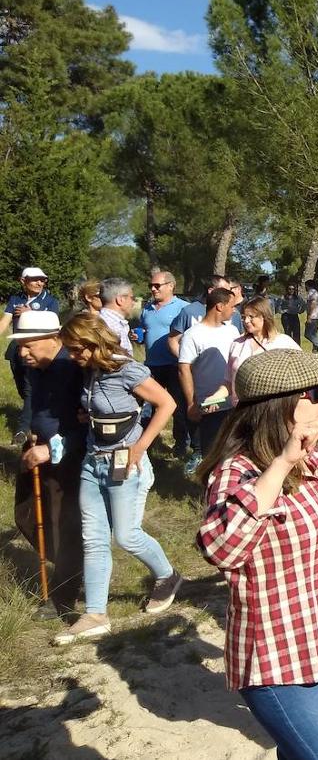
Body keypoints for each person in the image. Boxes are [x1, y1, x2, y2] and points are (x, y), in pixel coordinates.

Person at [197, 349, 318, 759]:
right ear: (283, 406)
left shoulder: (312, 460)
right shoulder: (237, 472)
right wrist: (283, 463)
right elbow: (221, 548)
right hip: (276, 655)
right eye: (315, 393)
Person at [53, 313, 179, 645]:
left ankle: (168, 576)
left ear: (94, 343)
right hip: (93, 463)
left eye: (77, 349)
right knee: (93, 539)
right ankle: (96, 614)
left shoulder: (127, 370)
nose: (73, 356)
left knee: (126, 536)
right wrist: (89, 415)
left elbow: (167, 404)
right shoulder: (89, 372)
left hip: (127, 464)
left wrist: (139, 448)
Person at [10, 311, 85, 619]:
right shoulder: (36, 367)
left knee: (64, 525)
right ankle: (78, 566)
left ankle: (62, 595)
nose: (23, 352)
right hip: (37, 448)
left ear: (54, 339)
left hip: (68, 457)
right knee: (25, 514)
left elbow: (89, 421)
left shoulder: (73, 366)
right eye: (20, 345)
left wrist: (52, 448)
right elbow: (33, 403)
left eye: (29, 345)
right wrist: (28, 428)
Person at [178, 287, 241, 461]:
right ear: (220, 306)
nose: (234, 309)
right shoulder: (193, 335)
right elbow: (184, 369)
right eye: (231, 305)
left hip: (234, 403)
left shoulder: (232, 331)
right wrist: (191, 403)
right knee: (211, 455)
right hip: (209, 405)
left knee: (233, 454)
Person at [0, 267, 60, 437]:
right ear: (23, 281)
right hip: (16, 348)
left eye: (42, 279)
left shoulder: (50, 301)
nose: (39, 283)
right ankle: (32, 410)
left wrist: (32, 312)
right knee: (21, 385)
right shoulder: (15, 299)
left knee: (29, 387)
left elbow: (52, 324)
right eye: (35, 279)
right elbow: (5, 321)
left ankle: (22, 429)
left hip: (36, 349)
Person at [139, 272, 190, 453]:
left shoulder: (183, 308)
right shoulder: (147, 308)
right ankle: (147, 445)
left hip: (175, 364)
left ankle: (181, 445)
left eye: (157, 285)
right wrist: (138, 336)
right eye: (151, 286)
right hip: (152, 365)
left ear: (171, 286)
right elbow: (144, 330)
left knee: (178, 406)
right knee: (149, 406)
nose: (153, 289)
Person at [226, 296, 300, 404]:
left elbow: (302, 373)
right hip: (240, 412)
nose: (246, 321)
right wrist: (213, 398)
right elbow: (228, 381)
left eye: (251, 317)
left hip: (272, 410)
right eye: (243, 317)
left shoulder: (283, 342)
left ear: (264, 316)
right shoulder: (237, 344)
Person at [97, 279, 135, 355]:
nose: (133, 303)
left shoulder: (102, 321)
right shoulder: (110, 326)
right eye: (132, 298)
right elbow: (117, 360)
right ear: (120, 300)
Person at [304, 279, 318, 356]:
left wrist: (309, 316)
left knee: (308, 334)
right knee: (314, 334)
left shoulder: (311, 292)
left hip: (313, 316)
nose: (305, 287)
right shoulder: (316, 293)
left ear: (308, 285)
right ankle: (315, 352)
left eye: (305, 286)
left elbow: (312, 304)